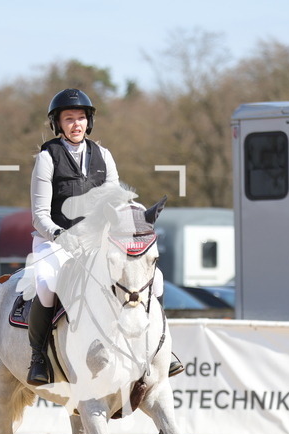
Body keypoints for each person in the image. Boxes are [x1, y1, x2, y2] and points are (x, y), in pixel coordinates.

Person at [26, 88, 182, 385]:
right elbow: (39, 214)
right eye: (69, 119)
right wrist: (61, 235)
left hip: (97, 241)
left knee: (155, 279)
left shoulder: (104, 156)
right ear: (58, 123)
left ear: (89, 122)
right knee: (47, 283)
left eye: (81, 118)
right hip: (55, 239)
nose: (76, 124)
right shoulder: (48, 157)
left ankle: (159, 348)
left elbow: (115, 202)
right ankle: (38, 356)